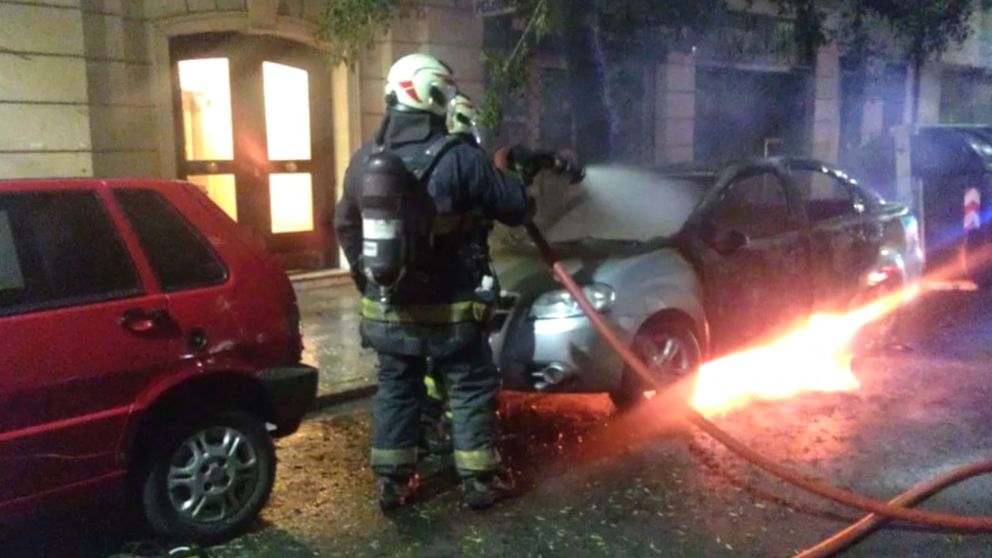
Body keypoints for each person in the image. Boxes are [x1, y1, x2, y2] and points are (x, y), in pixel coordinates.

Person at [334, 53, 534, 511]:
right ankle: (480, 480)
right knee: (467, 385)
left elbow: (344, 223)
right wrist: (509, 173)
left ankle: (392, 482)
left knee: (397, 386)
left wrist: (368, 276)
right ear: (435, 93)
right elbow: (518, 208)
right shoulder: (460, 157)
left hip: (388, 307)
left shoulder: (365, 159)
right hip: (453, 310)